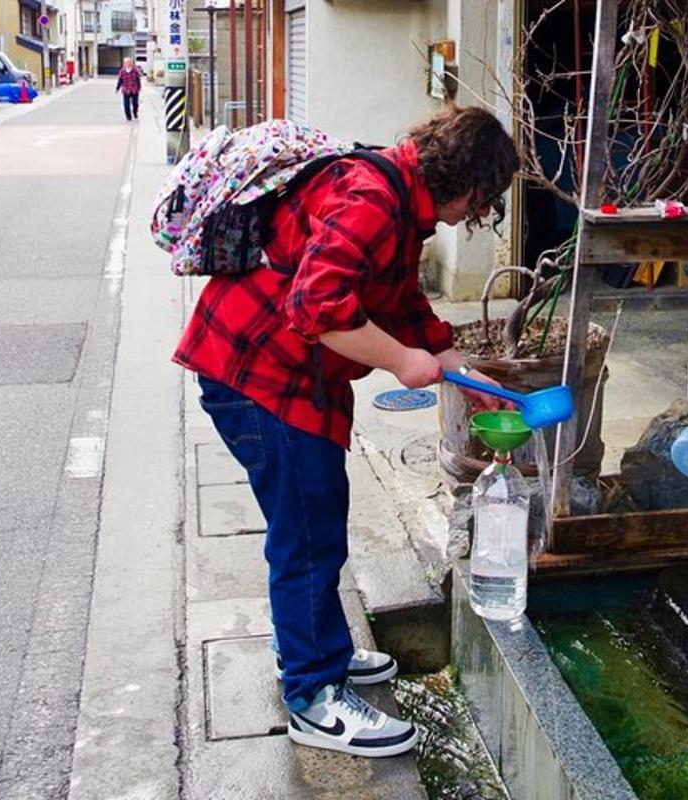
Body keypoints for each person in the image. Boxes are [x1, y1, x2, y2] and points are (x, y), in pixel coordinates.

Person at [173, 105, 520, 757]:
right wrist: (403, 362)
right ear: (471, 186)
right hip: (258, 377)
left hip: (280, 374)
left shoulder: (395, 191)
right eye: (485, 199)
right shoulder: (371, 198)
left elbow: (397, 298)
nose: (479, 213)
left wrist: (452, 362)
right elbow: (316, 307)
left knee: (314, 520)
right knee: (307, 532)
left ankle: (316, 647)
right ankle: (312, 696)